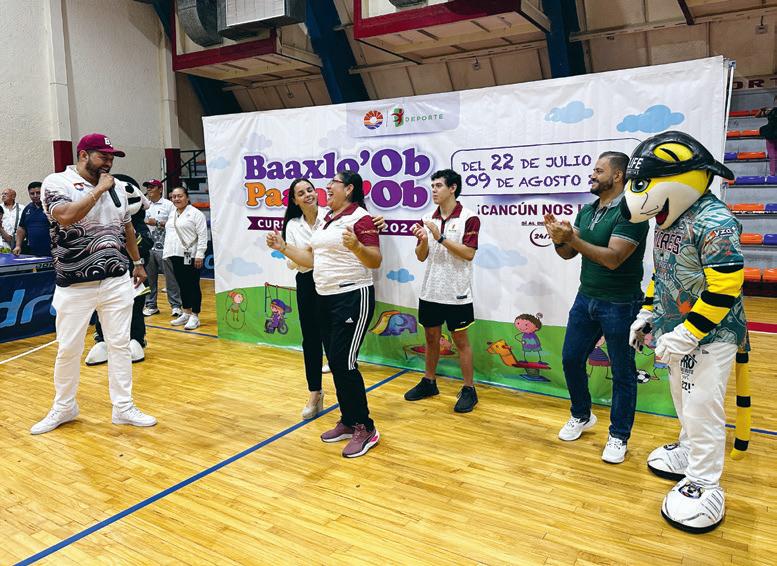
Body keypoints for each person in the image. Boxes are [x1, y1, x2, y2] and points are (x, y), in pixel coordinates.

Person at [622, 130, 749, 533]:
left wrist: (690, 333)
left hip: (712, 335)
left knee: (702, 406)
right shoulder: (666, 218)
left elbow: (726, 285)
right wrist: (647, 312)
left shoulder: (714, 220)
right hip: (675, 329)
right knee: (682, 396)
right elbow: (663, 272)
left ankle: (705, 483)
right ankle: (690, 449)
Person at [30, 133, 156, 434]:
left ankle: (123, 407)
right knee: (68, 348)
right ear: (84, 155)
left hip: (116, 280)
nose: (108, 162)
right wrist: (99, 190)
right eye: (103, 156)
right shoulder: (57, 182)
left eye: (111, 157)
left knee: (120, 345)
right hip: (75, 284)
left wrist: (137, 262)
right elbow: (65, 217)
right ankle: (64, 406)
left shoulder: (118, 188)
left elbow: (126, 227)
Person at [267, 170, 382, 458]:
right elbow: (310, 259)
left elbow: (375, 260)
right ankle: (348, 420)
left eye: (334, 184)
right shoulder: (328, 220)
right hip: (325, 298)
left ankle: (366, 427)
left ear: (349, 189)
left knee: (345, 363)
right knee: (335, 362)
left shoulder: (360, 218)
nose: (327, 187)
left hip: (352, 296)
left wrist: (357, 246)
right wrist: (284, 247)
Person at [544, 151, 649, 464]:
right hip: (586, 298)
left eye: (599, 170)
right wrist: (559, 239)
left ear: (617, 176)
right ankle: (582, 415)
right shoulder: (588, 211)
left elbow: (613, 259)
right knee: (570, 358)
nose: (592, 175)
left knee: (623, 371)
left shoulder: (632, 213)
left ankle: (619, 435)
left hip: (621, 304)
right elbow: (568, 254)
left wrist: (572, 239)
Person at [403, 169, 481, 413]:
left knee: (460, 341)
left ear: (453, 188)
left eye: (438, 185)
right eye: (433, 186)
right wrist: (425, 240)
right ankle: (429, 382)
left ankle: (469, 389)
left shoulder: (469, 217)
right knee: (430, 338)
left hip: (457, 293)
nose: (434, 190)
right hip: (431, 291)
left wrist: (440, 237)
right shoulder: (427, 218)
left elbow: (468, 253)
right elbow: (421, 255)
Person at [163, 186, 208, 330]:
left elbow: (203, 235)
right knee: (181, 285)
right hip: (174, 254)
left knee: (192, 285)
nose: (176, 199)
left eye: (180, 196)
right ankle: (186, 312)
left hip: (191, 255)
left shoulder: (196, 214)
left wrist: (200, 254)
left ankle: (195, 315)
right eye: (174, 196)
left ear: (187, 197)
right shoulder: (172, 213)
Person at [141, 179, 182, 318]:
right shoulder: (145, 205)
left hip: (165, 247)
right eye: (148, 187)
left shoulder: (168, 205)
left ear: (160, 189)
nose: (149, 190)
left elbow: (175, 223)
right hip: (148, 247)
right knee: (149, 278)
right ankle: (151, 305)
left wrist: (157, 223)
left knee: (171, 278)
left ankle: (176, 306)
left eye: (152, 187)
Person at [14, 182, 52, 257]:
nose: (35, 196)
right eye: (32, 193)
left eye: (38, 193)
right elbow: (22, 228)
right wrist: (18, 245)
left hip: (52, 252)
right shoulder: (27, 208)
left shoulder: (52, 207)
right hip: (32, 252)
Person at [757, 95, 777, 176]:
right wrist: (761, 110)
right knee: (772, 156)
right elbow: (757, 116)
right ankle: (772, 174)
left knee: (773, 156)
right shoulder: (771, 111)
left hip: (772, 134)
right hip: (771, 134)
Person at [1, 188, 22, 253]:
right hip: (2, 243)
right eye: (2, 194)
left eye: (5, 194)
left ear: (13, 196)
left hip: (18, 243)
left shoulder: (22, 208)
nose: (3, 195)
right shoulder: (0, 208)